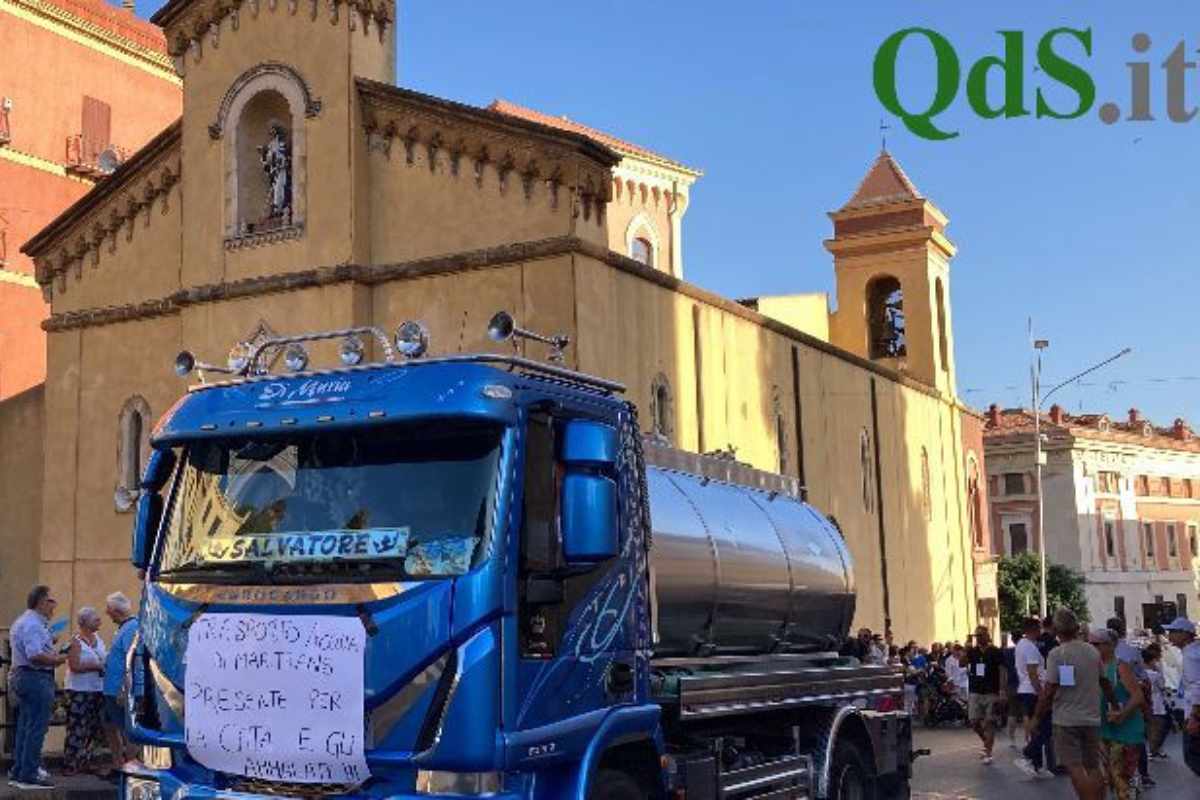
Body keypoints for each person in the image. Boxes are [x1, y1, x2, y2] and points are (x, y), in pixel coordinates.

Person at [1023, 609, 1104, 800]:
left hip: (1066, 719)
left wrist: (1036, 717)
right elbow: (1104, 681)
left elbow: (1050, 689)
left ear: (1056, 630)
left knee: (1075, 767)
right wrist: (1114, 704)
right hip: (1091, 716)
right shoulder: (1092, 651)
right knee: (1093, 766)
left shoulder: (1056, 654)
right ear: (1076, 628)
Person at [8, 585, 68, 790]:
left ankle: (19, 771)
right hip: (35, 677)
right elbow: (34, 655)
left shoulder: (25, 621)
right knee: (36, 728)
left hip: (25, 676)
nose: (54, 605)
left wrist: (49, 643)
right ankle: (29, 773)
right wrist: (58, 659)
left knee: (25, 726)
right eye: (51, 601)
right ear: (42, 602)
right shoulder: (33, 624)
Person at [1095, 627, 1146, 800]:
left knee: (1121, 779)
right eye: (1090, 643)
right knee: (1111, 778)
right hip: (1104, 730)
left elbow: (1138, 696)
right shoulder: (1095, 667)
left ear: (1110, 645)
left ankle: (1132, 789)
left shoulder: (1120, 667)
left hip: (1125, 731)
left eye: (1096, 644)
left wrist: (1122, 714)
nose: (1092, 647)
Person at [63, 606, 107, 775]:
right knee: (77, 727)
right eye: (95, 618)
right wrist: (95, 666)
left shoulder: (99, 639)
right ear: (85, 622)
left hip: (97, 689)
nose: (99, 620)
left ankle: (87, 761)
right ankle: (71, 763)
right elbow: (74, 666)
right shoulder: (75, 642)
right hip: (79, 690)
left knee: (94, 727)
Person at [103, 591, 139, 773]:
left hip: (119, 689)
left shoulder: (131, 627)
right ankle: (119, 766)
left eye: (108, 609)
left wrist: (124, 689)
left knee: (127, 730)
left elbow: (131, 660)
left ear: (116, 611)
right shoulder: (123, 627)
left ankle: (131, 769)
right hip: (110, 688)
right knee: (110, 726)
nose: (106, 612)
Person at [1014, 617, 1052, 776]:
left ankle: (1036, 764)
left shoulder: (1022, 645)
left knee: (1037, 728)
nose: (1041, 631)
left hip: (1026, 690)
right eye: (1039, 628)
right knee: (1046, 726)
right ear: (1034, 629)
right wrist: (1041, 692)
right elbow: (1032, 672)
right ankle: (1028, 753)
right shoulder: (1030, 648)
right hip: (1032, 691)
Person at [963, 625, 1006, 763]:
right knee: (974, 722)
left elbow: (1002, 670)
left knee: (990, 722)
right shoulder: (972, 651)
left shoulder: (995, 651)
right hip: (975, 690)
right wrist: (966, 647)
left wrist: (1002, 690)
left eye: (981, 635)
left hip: (991, 691)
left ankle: (988, 751)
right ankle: (986, 741)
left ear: (987, 636)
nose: (979, 638)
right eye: (977, 636)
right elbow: (961, 663)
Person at [1163, 616, 1200, 776]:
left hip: (1194, 712)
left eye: (1173, 631)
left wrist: (1194, 717)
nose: (1169, 635)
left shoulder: (1191, 656)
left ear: (1185, 634)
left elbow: (1197, 686)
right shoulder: (1193, 652)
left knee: (1192, 756)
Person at [1143, 645, 1172, 760]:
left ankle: (1154, 749)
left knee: (1151, 727)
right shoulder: (1155, 674)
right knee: (1160, 726)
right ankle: (1154, 749)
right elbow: (1162, 686)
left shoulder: (1141, 673)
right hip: (1158, 703)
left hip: (1147, 703)